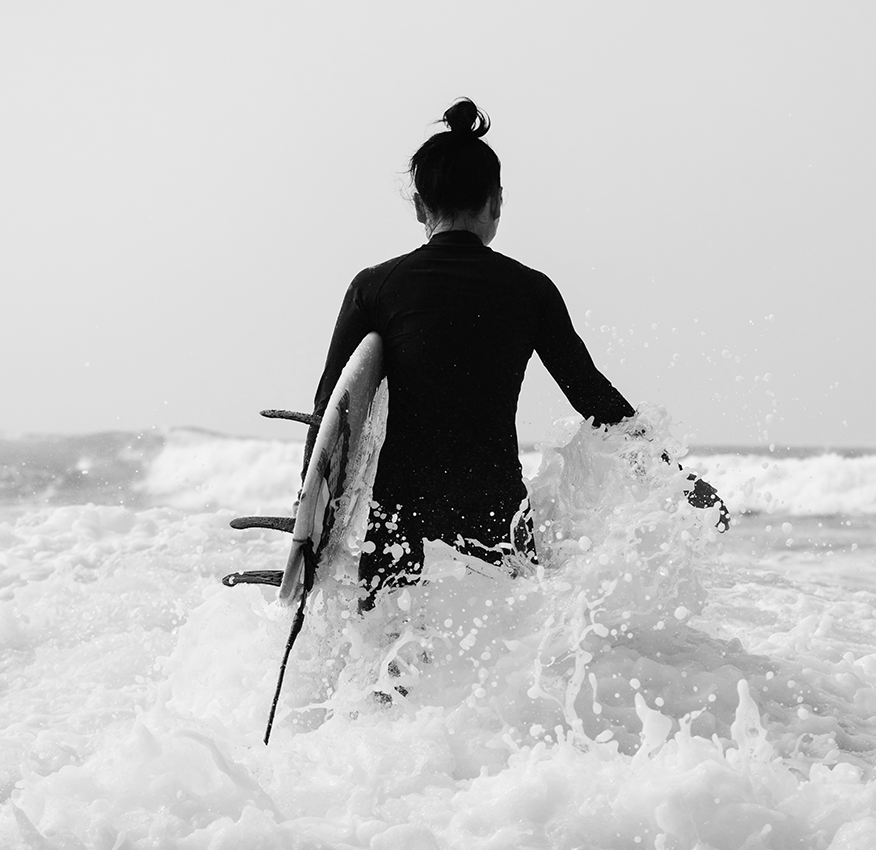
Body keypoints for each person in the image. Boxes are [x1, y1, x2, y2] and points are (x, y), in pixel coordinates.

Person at [308, 99, 725, 602]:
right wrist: (670, 476)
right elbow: (592, 396)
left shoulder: (374, 287)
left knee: (384, 662)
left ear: (419, 206)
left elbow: (330, 407)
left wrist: (308, 520)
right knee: (510, 661)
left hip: (401, 517)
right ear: (497, 202)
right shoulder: (530, 290)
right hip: (496, 511)